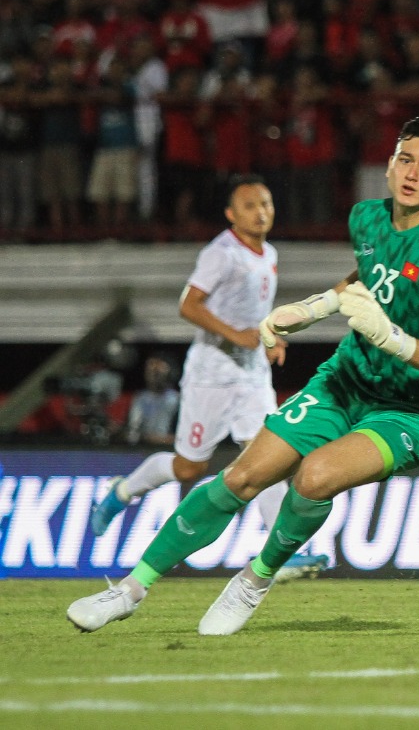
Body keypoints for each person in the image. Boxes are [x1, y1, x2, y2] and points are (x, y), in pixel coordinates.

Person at [68, 118, 419, 636]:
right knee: (240, 476)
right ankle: (128, 590)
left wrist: (391, 338)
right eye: (405, 159)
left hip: (416, 409)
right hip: (347, 381)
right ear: (388, 167)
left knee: (314, 478)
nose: (412, 173)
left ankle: (255, 578)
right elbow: (368, 277)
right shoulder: (367, 220)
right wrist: (315, 307)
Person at [88, 174, 326, 582]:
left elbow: (254, 312)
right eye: (250, 206)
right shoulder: (221, 252)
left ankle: (287, 550)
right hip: (211, 376)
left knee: (268, 456)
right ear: (232, 215)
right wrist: (238, 336)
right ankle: (122, 491)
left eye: (266, 204)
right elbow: (189, 305)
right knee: (187, 469)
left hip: (251, 376)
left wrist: (270, 338)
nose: (261, 212)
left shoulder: (267, 252)